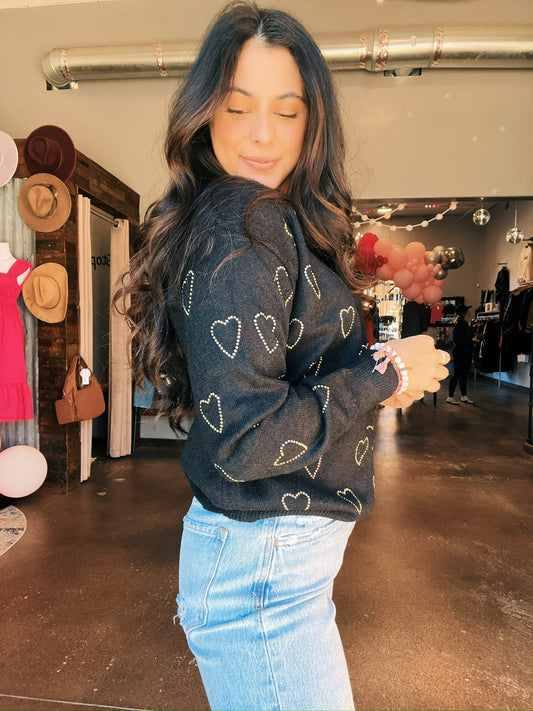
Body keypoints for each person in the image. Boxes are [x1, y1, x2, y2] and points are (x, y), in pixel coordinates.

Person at [116, 2, 450, 708]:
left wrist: (370, 375)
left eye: (287, 111)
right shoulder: (246, 224)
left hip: (271, 562)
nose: (262, 134)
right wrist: (384, 371)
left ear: (312, 120)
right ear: (204, 114)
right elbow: (249, 437)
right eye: (237, 108)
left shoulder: (264, 218)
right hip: (263, 572)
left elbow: (277, 380)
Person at [447, 304, 475, 405]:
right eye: (468, 310)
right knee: (458, 374)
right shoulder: (461, 324)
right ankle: (450, 397)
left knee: (462, 375)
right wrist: (471, 340)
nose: (469, 312)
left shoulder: (462, 323)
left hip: (462, 352)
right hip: (461, 352)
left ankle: (464, 396)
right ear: (465, 313)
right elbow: (459, 339)